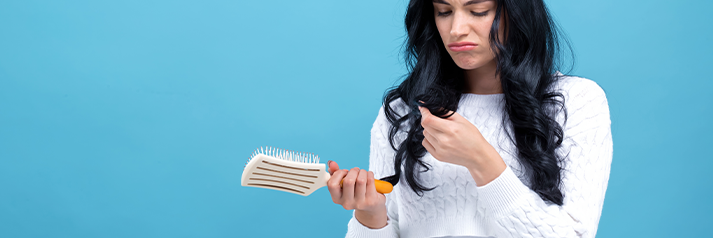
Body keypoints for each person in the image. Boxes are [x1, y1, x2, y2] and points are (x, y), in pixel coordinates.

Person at [326, 0, 613, 237]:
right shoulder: (405, 111)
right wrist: (369, 214)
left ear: (517, 12)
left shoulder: (576, 101)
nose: (456, 30)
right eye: (444, 11)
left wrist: (481, 159)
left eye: (478, 11)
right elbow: (390, 223)